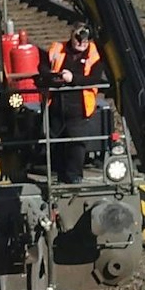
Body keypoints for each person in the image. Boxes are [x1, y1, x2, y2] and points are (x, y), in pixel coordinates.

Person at [44, 24, 105, 184]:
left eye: (86, 40)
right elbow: (43, 67)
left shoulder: (94, 54)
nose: (82, 43)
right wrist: (52, 77)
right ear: (71, 35)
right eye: (78, 38)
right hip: (57, 105)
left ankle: (74, 176)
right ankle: (58, 175)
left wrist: (73, 79)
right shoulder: (57, 49)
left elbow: (95, 78)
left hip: (79, 107)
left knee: (77, 143)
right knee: (56, 141)